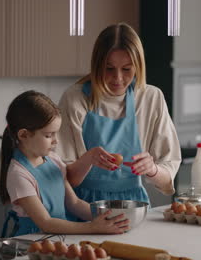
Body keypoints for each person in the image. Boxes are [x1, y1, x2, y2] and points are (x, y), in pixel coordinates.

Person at [56, 23, 181, 206]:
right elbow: (64, 178)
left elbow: (167, 181)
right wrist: (88, 160)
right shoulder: (75, 98)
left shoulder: (151, 98)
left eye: (127, 69)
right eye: (109, 68)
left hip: (134, 206)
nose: (118, 78)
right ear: (97, 65)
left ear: (138, 66)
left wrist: (152, 169)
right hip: (82, 207)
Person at [0, 90, 129, 237]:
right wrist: (92, 227)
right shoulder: (19, 174)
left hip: (60, 236)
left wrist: (109, 217)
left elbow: (74, 203)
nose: (56, 140)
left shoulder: (53, 160)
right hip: (32, 241)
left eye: (56, 133)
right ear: (23, 135)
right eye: (48, 135)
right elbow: (46, 223)